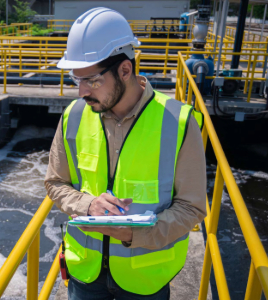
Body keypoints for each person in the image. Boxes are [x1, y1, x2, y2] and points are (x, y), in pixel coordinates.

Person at [44, 7, 207, 300]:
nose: (82, 92)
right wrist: (88, 204)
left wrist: (135, 235)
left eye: (92, 80)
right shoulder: (74, 116)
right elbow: (55, 183)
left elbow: (192, 208)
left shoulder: (179, 123)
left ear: (125, 70)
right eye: (76, 79)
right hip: (85, 275)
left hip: (145, 279)